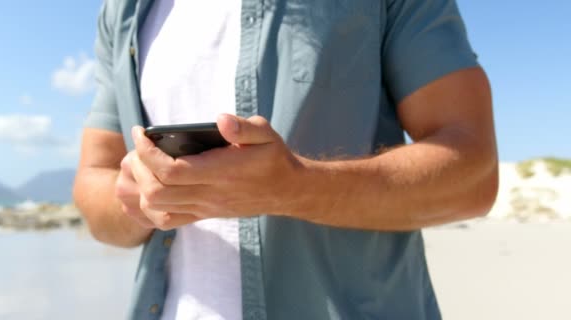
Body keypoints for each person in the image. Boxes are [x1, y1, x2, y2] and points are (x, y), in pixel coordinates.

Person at [73, 0, 498, 319]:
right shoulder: (124, 11)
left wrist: (294, 188)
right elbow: (96, 185)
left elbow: (473, 174)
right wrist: (138, 201)